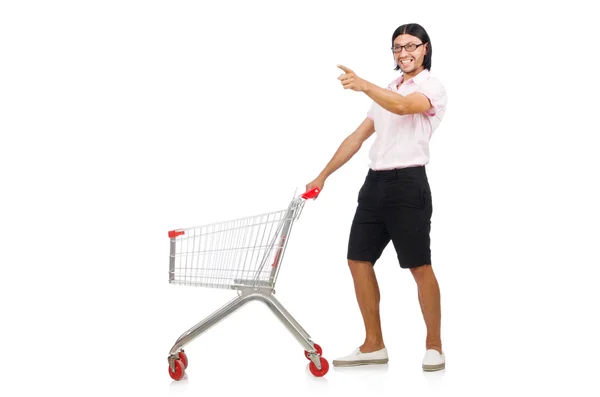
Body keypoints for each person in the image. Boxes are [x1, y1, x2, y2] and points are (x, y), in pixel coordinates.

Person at [305, 23, 448, 371]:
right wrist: (322, 176)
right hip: (374, 186)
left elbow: (403, 108)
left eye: (411, 46)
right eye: (397, 48)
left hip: (408, 185)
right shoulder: (387, 90)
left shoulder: (431, 86)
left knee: (419, 266)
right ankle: (373, 345)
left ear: (425, 48)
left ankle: (434, 345)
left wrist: (364, 85)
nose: (404, 53)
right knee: (358, 260)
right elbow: (357, 137)